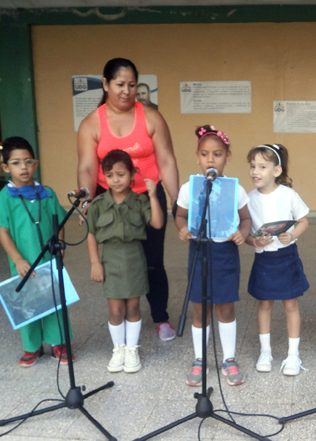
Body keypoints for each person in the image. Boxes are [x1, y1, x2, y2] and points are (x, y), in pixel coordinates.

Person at [77, 58, 179, 341]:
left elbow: (167, 160)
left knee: (152, 260)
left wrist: (177, 200)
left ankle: (160, 317)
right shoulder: (91, 123)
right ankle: (121, 316)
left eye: (132, 85)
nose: (126, 91)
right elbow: (86, 167)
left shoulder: (151, 117)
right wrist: (85, 200)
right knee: (115, 258)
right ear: (106, 84)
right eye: (120, 84)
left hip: (147, 197)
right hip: (108, 199)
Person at [0, 137, 73, 366]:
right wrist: (17, 258)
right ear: (5, 167)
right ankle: (32, 347)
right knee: (27, 303)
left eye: (28, 161)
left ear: (36, 164)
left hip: (49, 259)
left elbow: (58, 224)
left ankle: (58, 342)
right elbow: (3, 233)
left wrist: (60, 248)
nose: (23, 167)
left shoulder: (48, 194)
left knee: (54, 300)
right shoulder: (5, 198)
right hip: (22, 262)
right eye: (16, 162)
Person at [175, 125, 251, 386]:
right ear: (197, 157)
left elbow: (246, 218)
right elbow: (181, 214)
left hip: (225, 253)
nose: (211, 159)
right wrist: (183, 229)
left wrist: (243, 232)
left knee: (225, 306)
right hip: (199, 252)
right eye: (205, 154)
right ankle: (200, 359)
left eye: (217, 154)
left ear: (227, 157)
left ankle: (229, 359)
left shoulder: (236, 190)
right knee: (200, 308)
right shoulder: (189, 188)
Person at [86, 150, 164, 373]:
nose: (115, 180)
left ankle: (131, 349)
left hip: (134, 257)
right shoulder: (99, 203)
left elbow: (157, 223)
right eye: (110, 175)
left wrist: (152, 195)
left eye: (121, 174)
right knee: (115, 309)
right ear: (104, 177)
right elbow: (91, 233)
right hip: (110, 259)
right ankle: (118, 348)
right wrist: (94, 263)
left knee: (133, 305)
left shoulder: (139, 201)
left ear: (132, 175)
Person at [246, 144, 310, 376]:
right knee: (264, 303)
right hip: (263, 259)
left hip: (286, 257)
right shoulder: (248, 198)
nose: (256, 171)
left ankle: (293, 355)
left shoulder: (289, 195)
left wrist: (291, 235)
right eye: (253, 166)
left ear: (276, 171)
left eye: (262, 166)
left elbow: (303, 220)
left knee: (291, 304)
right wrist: (254, 242)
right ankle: (266, 351)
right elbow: (244, 233)